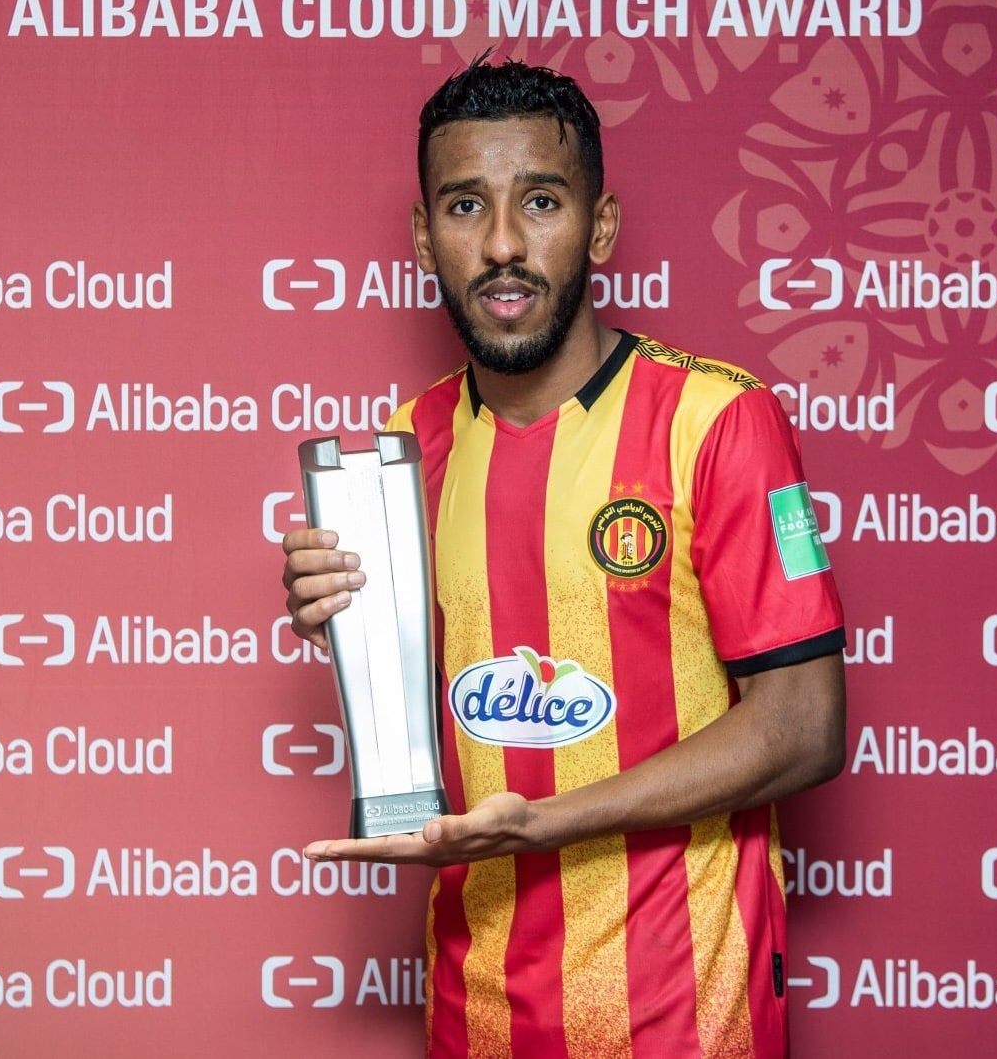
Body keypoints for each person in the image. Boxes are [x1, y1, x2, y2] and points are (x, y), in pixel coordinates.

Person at [281, 56, 847, 1058]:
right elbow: (436, 710)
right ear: (424, 237)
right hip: (476, 1014)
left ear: (600, 226)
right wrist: (345, 621)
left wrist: (543, 822)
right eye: (465, 206)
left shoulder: (718, 419)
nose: (502, 243)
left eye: (539, 201)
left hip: (684, 1018)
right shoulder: (404, 446)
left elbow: (804, 727)